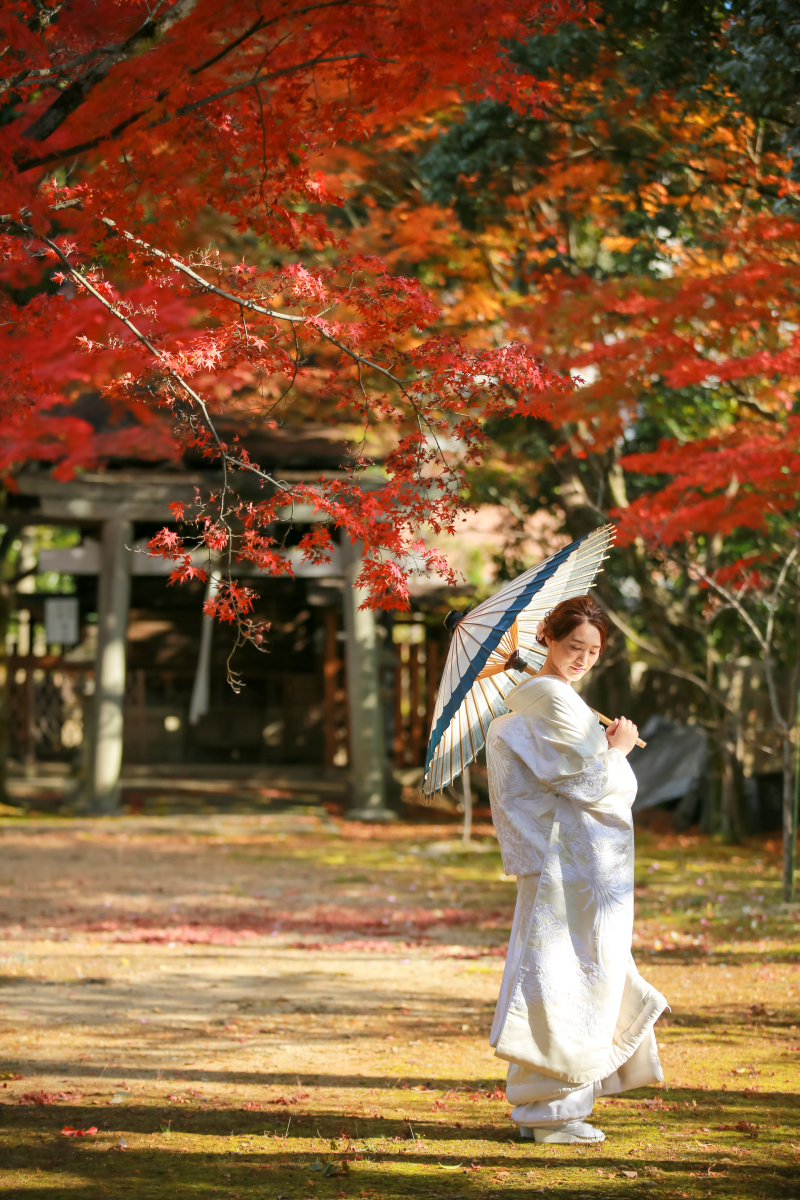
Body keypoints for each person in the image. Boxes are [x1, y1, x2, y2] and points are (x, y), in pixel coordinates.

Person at [486, 594, 667, 1145]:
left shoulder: (546, 701)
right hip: (569, 867)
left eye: (593, 649)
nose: (583, 658)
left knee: (560, 977)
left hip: (567, 865)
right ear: (547, 639)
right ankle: (551, 1115)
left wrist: (608, 747)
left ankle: (543, 1107)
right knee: (565, 978)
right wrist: (621, 750)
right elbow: (589, 784)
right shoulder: (551, 701)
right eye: (572, 646)